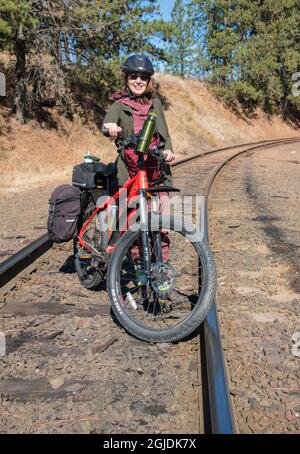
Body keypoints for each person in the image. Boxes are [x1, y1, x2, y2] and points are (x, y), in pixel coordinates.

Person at [102, 53, 175, 187]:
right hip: (129, 167)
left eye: (143, 77)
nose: (138, 81)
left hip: (155, 166)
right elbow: (105, 127)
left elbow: (165, 134)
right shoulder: (119, 105)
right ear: (126, 80)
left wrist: (169, 150)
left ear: (148, 81)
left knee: (163, 204)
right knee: (126, 205)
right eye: (133, 77)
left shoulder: (156, 104)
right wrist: (111, 127)